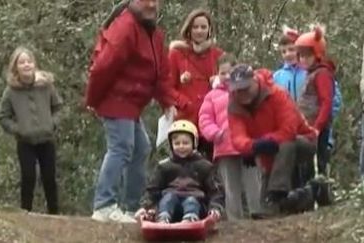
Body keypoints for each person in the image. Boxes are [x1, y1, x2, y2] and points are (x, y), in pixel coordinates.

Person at [85, 0, 176, 223]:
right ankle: (104, 205)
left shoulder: (153, 33)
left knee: (141, 148)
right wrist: (93, 100)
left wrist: (167, 102)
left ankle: (130, 207)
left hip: (132, 104)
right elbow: (102, 67)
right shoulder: (125, 27)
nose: (151, 5)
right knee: (122, 147)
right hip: (116, 99)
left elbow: (160, 73)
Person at [227, 64, 321, 215]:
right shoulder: (234, 105)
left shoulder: (277, 94)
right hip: (271, 153)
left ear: (255, 82)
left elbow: (288, 130)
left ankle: (277, 192)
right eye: (237, 90)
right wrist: (252, 146)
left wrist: (262, 142)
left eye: (245, 88)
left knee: (286, 143)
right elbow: (237, 137)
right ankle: (312, 192)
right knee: (268, 207)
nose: (242, 94)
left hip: (302, 142)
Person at [0, 47, 62, 215]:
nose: (26, 65)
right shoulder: (11, 91)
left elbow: (58, 107)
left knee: (49, 178)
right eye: (22, 62)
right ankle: (25, 214)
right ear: (15, 67)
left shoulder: (46, 85)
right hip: (25, 142)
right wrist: (18, 129)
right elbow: (3, 117)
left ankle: (54, 214)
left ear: (34, 64)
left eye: (29, 61)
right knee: (28, 177)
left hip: (47, 139)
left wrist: (52, 123)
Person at [198, 54, 262, 221]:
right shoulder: (211, 96)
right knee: (230, 187)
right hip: (224, 147)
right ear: (217, 74)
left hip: (248, 145)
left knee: (253, 182)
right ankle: (235, 220)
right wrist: (215, 133)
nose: (226, 76)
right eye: (222, 73)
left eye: (230, 72)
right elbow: (205, 119)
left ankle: (258, 214)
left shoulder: (248, 91)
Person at [136, 120, 224, 223]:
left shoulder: (204, 166)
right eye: (177, 143)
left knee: (191, 201)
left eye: (186, 143)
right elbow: (152, 190)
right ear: (171, 145)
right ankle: (163, 217)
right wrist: (145, 206)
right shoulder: (164, 166)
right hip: (171, 202)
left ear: (194, 143)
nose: (181, 147)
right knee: (168, 198)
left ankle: (190, 218)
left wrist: (215, 208)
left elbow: (215, 191)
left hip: (196, 203)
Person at [167, 9, 223, 161]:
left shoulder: (217, 55)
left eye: (203, 27)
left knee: (210, 165)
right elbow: (167, 87)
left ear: (209, 30)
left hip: (211, 120)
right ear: (189, 29)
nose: (199, 31)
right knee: (184, 166)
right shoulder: (177, 53)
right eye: (195, 27)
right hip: (186, 119)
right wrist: (184, 102)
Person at [295, 25, 335, 176]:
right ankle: (309, 194)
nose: (304, 59)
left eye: (308, 56)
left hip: (317, 127)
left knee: (318, 162)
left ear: (317, 54)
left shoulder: (322, 74)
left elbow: (326, 102)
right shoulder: (311, 73)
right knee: (306, 164)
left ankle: (320, 194)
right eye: (301, 56)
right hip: (307, 127)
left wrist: (318, 126)